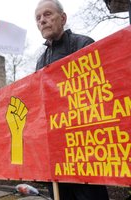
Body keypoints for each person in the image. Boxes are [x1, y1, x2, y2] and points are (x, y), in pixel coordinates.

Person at [35, 0, 109, 200]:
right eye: (38, 18)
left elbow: (99, 92)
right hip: (56, 151)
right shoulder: (40, 61)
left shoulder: (83, 44)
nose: (42, 20)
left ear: (63, 18)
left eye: (48, 14)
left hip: (84, 149)